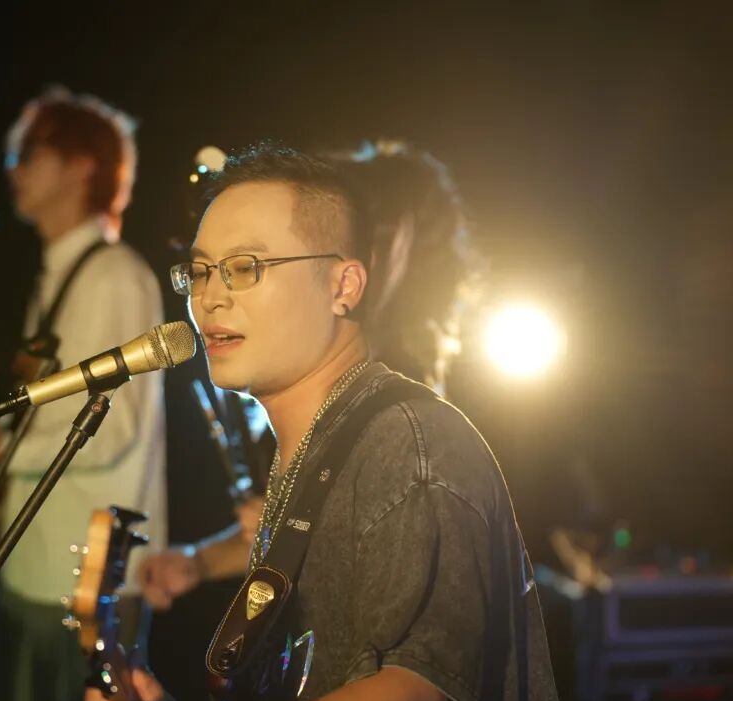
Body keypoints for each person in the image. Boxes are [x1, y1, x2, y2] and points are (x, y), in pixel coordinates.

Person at [89, 144, 560, 701]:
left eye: (246, 267)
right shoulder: (314, 448)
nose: (209, 296)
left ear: (345, 285)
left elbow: (411, 694)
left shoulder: (410, 440)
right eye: (201, 271)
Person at [140, 140, 482, 605]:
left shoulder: (407, 416)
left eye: (379, 232)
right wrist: (199, 562)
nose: (211, 296)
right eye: (201, 272)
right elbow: (296, 526)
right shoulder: (307, 373)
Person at [0, 87, 166, 701]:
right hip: (38, 566)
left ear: (81, 165)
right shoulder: (64, 272)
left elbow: (111, 429)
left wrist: (2, 449)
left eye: (27, 153)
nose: (12, 168)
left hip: (81, 581)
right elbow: (61, 414)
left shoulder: (112, 275)